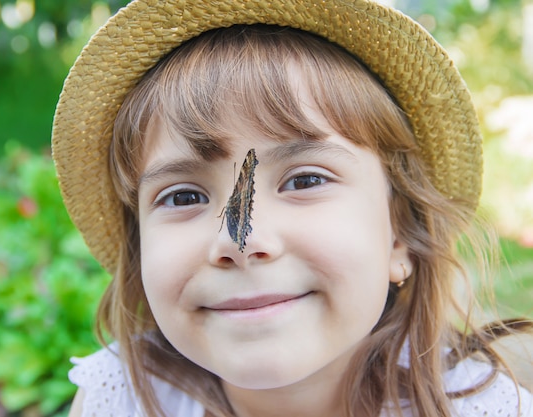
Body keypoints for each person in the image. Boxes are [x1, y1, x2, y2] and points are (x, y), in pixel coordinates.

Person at [51, 0, 533, 416]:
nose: (241, 241)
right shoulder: (117, 402)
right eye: (184, 196)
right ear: (140, 247)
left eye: (304, 180)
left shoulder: (483, 408)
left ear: (400, 232)